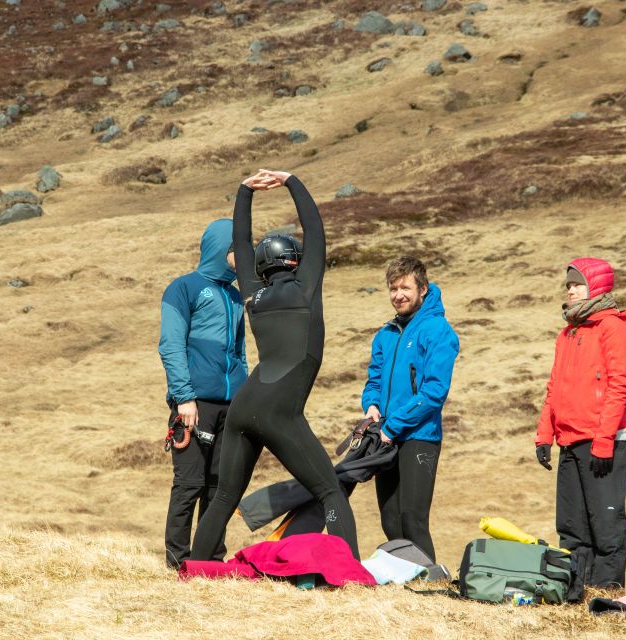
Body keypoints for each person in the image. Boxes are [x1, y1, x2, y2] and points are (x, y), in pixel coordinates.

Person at [190, 169, 360, 560]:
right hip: (279, 411)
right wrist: (292, 182)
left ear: (262, 269)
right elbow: (316, 231)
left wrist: (245, 191)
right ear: (295, 261)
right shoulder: (306, 287)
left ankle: (194, 569)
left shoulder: (253, 294)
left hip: (245, 406)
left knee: (224, 498)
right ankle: (349, 573)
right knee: (329, 490)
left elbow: (240, 243)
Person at [534, 257, 626, 588]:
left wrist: (604, 441)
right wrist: (543, 436)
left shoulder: (613, 328)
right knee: (572, 526)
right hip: (569, 442)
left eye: (578, 283)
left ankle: (606, 596)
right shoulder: (567, 333)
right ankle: (577, 592)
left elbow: (620, 386)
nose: (571, 290)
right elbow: (555, 387)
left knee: (605, 525)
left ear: (596, 286)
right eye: (569, 284)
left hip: (603, 443)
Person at [158, 218, 248, 568]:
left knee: (219, 487)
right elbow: (171, 346)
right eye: (237, 248)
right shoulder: (183, 288)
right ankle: (178, 563)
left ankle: (209, 560)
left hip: (233, 408)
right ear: (221, 249)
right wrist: (184, 398)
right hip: (194, 404)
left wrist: (246, 396)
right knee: (190, 483)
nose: (245, 255)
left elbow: (240, 354)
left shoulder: (236, 295)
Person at [360, 256, 460, 562]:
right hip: (386, 437)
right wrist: (372, 405)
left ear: (423, 289)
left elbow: (434, 392)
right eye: (393, 288)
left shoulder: (438, 330)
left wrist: (393, 426)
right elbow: (373, 380)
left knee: (412, 519)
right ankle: (407, 588)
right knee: (390, 521)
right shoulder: (386, 334)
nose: (398, 294)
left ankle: (431, 585)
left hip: (420, 437)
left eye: (405, 287)